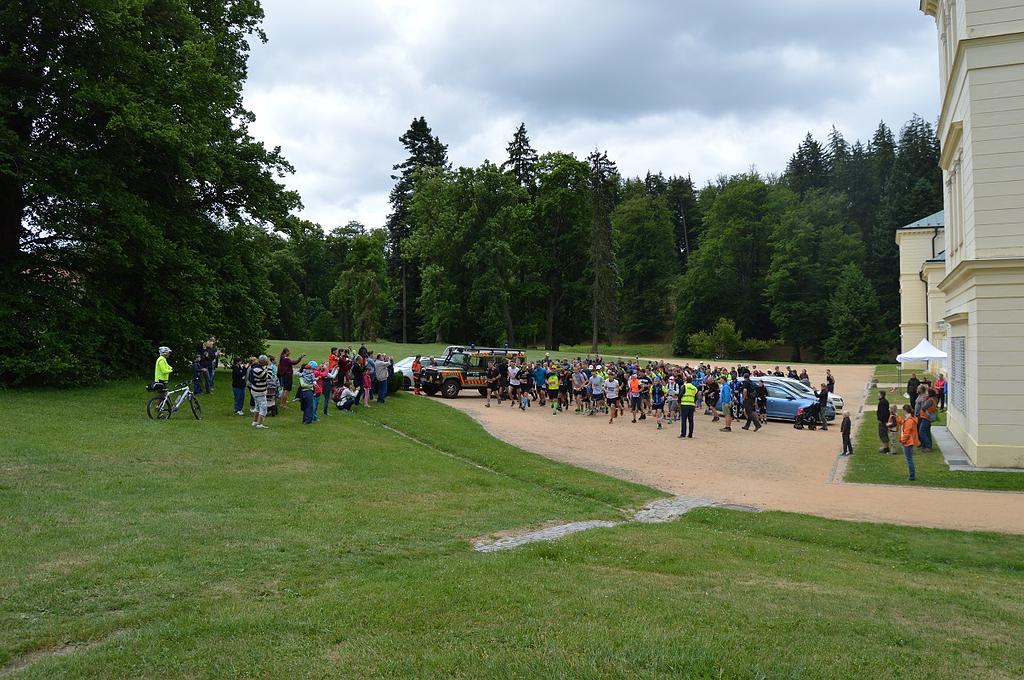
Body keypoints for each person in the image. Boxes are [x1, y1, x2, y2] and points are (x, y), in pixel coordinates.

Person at [897, 404, 920, 481]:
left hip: (908, 442)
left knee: (909, 460)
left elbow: (907, 432)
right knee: (909, 459)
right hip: (908, 442)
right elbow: (903, 423)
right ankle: (911, 475)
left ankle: (912, 476)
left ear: (905, 411)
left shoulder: (909, 421)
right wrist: (897, 417)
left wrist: (903, 441)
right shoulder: (910, 418)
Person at [249, 355, 270, 429]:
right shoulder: (258, 369)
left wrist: (265, 367)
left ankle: (255, 422)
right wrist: (268, 366)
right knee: (263, 408)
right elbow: (267, 376)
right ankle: (260, 424)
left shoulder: (256, 367)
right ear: (263, 362)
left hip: (256, 391)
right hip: (259, 392)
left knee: (257, 407)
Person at [915, 385, 937, 452]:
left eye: (927, 392)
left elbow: (924, 407)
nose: (926, 393)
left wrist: (924, 400)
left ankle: (927, 446)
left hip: (926, 417)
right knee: (927, 432)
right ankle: (928, 446)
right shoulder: (932, 399)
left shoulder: (930, 400)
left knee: (921, 432)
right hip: (926, 417)